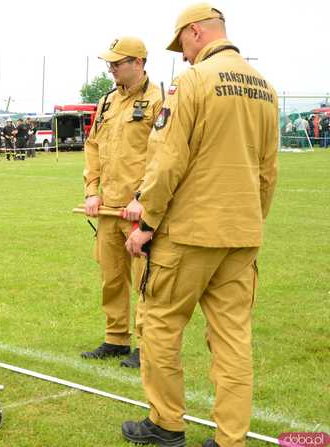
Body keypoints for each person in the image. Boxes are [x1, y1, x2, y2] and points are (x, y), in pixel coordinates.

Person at [121, 4, 278, 447]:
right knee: (233, 341)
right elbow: (268, 171)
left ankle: (167, 423)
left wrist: (147, 222)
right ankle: (231, 439)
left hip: (188, 235)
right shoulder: (265, 87)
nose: (183, 55)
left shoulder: (193, 82)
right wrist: (251, 221)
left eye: (182, 45)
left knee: (159, 326)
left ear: (195, 33)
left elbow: (167, 161)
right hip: (241, 235)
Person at [81, 36, 162, 369]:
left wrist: (142, 198)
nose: (111, 68)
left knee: (146, 281)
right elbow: (93, 147)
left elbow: (162, 156)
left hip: (138, 210)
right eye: (109, 63)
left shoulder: (159, 100)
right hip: (108, 209)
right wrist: (91, 190)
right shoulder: (107, 101)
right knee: (112, 277)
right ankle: (116, 339)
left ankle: (146, 346)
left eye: (117, 63)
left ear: (138, 63)